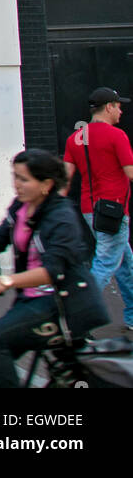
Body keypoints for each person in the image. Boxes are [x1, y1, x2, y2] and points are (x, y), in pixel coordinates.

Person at [0, 149, 108, 388]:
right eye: (15, 176)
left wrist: (6, 281)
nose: (17, 185)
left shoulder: (61, 217)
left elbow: (52, 271)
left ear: (46, 184)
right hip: (34, 300)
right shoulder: (21, 208)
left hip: (63, 304)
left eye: (24, 179)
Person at [63, 87, 133, 330]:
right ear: (109, 107)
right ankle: (78, 316)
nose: (121, 110)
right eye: (119, 106)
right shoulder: (117, 136)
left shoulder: (75, 138)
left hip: (90, 209)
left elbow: (65, 178)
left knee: (124, 262)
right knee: (105, 263)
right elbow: (130, 173)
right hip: (114, 209)